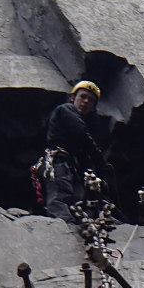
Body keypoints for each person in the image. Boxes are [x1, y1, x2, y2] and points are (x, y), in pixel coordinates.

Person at [38, 81, 105, 222]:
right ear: (72, 98)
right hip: (58, 161)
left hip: (71, 166)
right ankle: (64, 228)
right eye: (83, 96)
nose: (86, 101)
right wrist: (99, 159)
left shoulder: (85, 122)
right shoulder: (65, 109)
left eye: (91, 100)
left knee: (79, 199)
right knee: (59, 197)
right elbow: (80, 132)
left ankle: (80, 225)